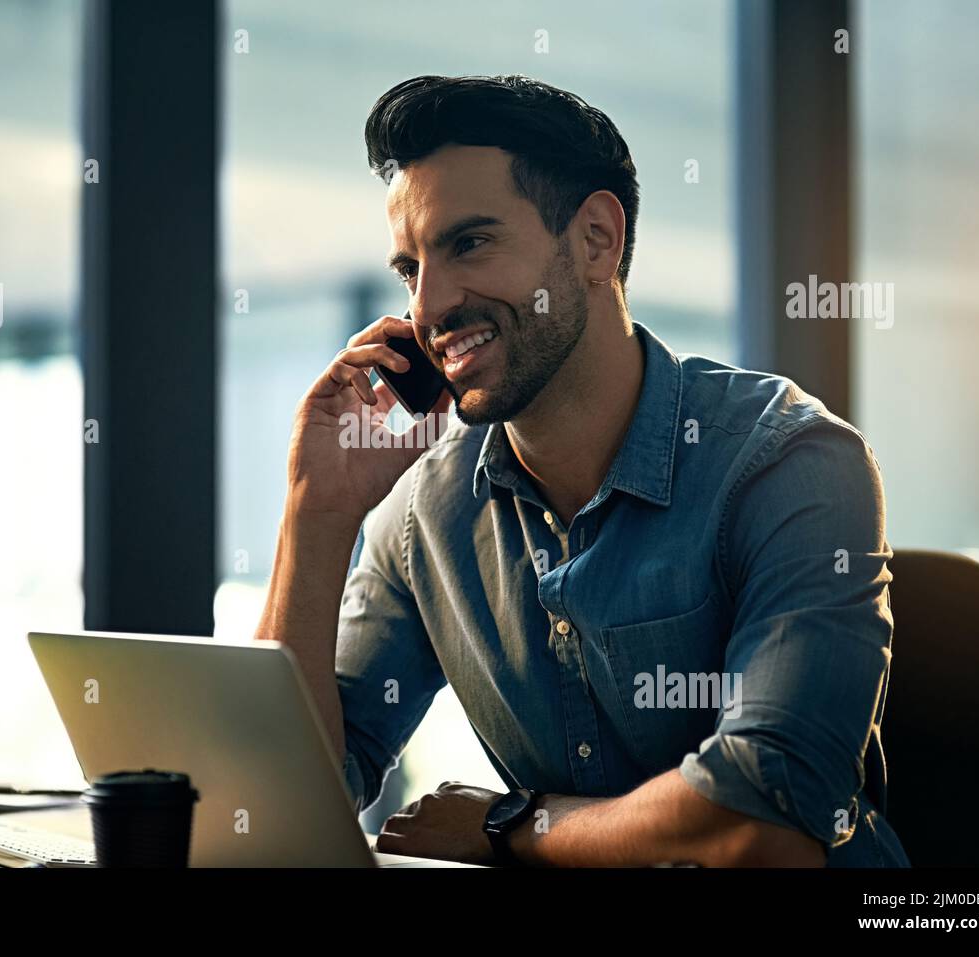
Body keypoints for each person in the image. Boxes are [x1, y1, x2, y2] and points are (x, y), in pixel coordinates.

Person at [254, 74, 908, 868]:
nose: (429, 306)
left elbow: (760, 819)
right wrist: (315, 516)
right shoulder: (424, 511)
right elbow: (272, 803)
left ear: (596, 239)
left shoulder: (788, 462)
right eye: (410, 268)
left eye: (469, 243)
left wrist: (517, 824)